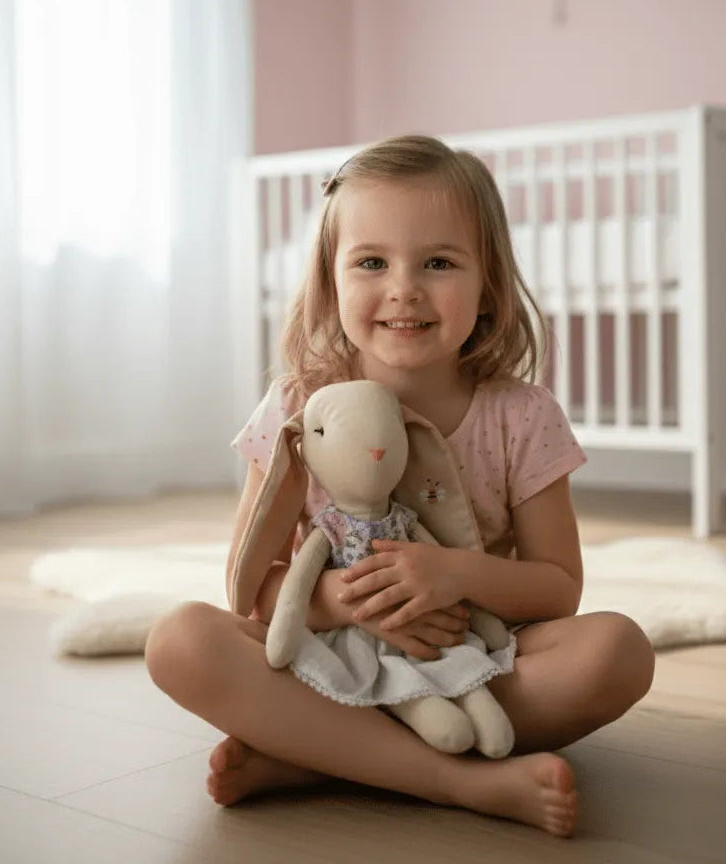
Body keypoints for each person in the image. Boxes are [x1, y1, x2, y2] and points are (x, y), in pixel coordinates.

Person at [145, 135, 655, 838]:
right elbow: (250, 588)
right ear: (331, 282)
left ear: (488, 286)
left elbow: (558, 589)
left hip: (469, 663)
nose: (404, 289)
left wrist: (454, 576)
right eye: (371, 262)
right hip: (332, 660)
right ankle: (460, 781)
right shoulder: (294, 407)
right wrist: (343, 601)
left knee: (618, 652)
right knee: (179, 641)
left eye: (438, 263)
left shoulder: (522, 415)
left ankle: (319, 757)